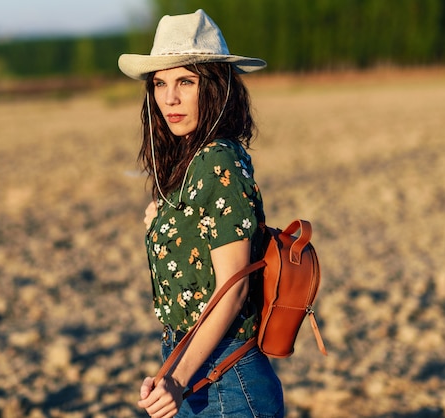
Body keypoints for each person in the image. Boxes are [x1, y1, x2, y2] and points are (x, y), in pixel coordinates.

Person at [118, 9, 284, 418]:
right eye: (160, 83)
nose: (169, 98)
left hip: (226, 380)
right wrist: (162, 222)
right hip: (192, 368)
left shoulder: (217, 162)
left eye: (185, 82)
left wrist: (176, 378)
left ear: (214, 87)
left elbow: (233, 289)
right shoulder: (191, 164)